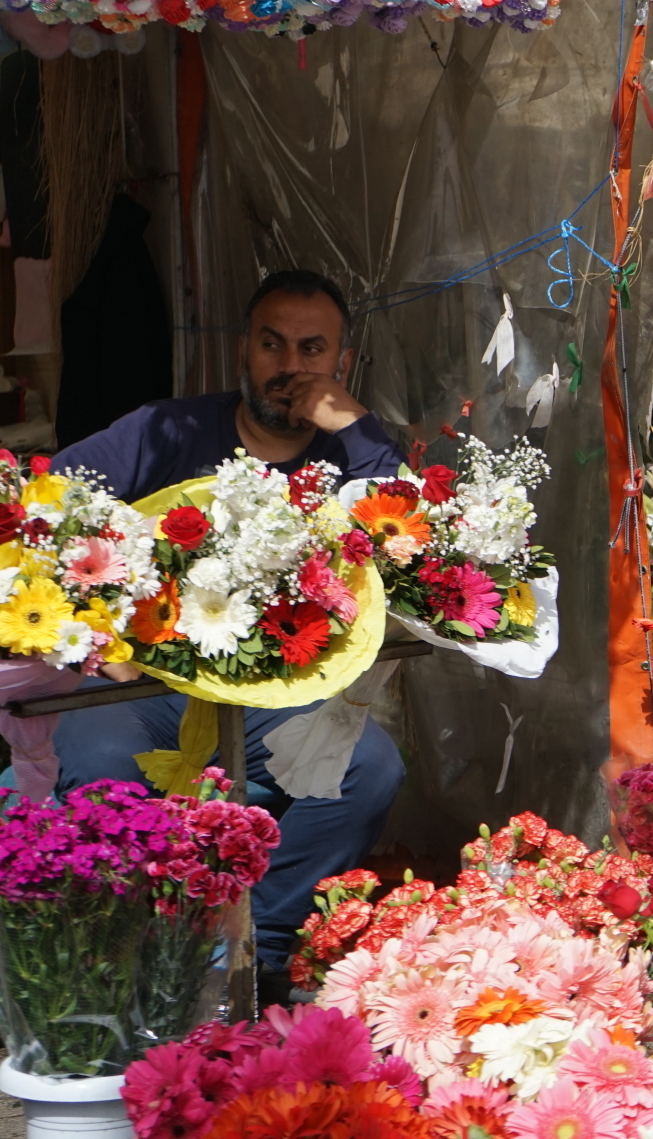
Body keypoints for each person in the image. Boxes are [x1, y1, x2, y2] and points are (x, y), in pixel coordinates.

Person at [51, 270, 406, 1002]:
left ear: (341, 362)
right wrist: (95, 641)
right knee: (103, 768)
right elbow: (42, 511)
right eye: (273, 343)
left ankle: (255, 956)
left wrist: (358, 427)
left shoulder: (349, 456)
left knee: (368, 767)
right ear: (244, 348)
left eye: (314, 348)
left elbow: (412, 537)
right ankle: (144, 962)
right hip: (148, 688)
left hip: (281, 697)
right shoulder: (161, 430)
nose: (291, 366)